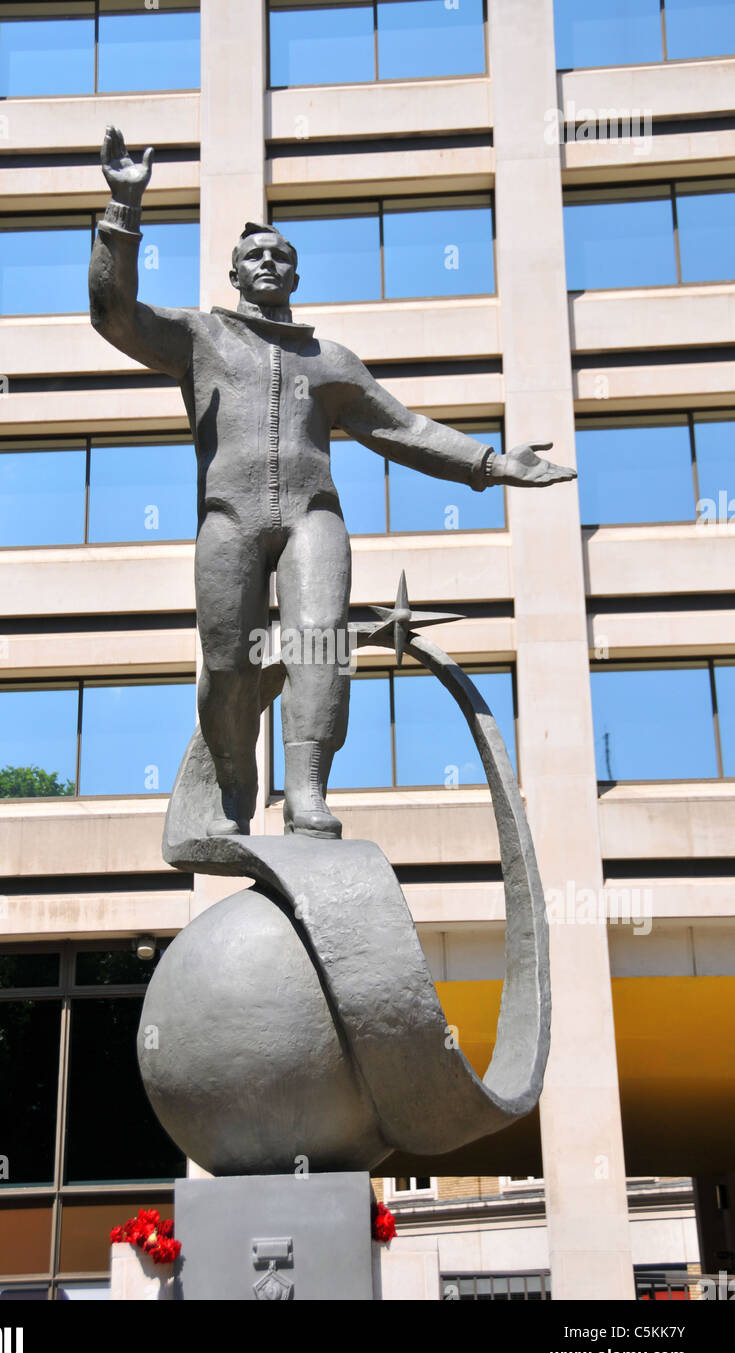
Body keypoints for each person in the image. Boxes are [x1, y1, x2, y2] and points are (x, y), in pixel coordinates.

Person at [89, 128, 575, 840]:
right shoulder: (199, 338)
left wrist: (492, 463)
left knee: (319, 643)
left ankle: (307, 792)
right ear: (233, 275)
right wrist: (122, 210)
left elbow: (402, 428)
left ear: (294, 277)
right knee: (228, 662)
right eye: (253, 254)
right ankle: (234, 793)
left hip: (313, 520)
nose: (266, 262)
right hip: (228, 520)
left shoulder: (330, 361)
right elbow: (113, 313)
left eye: (280, 256)